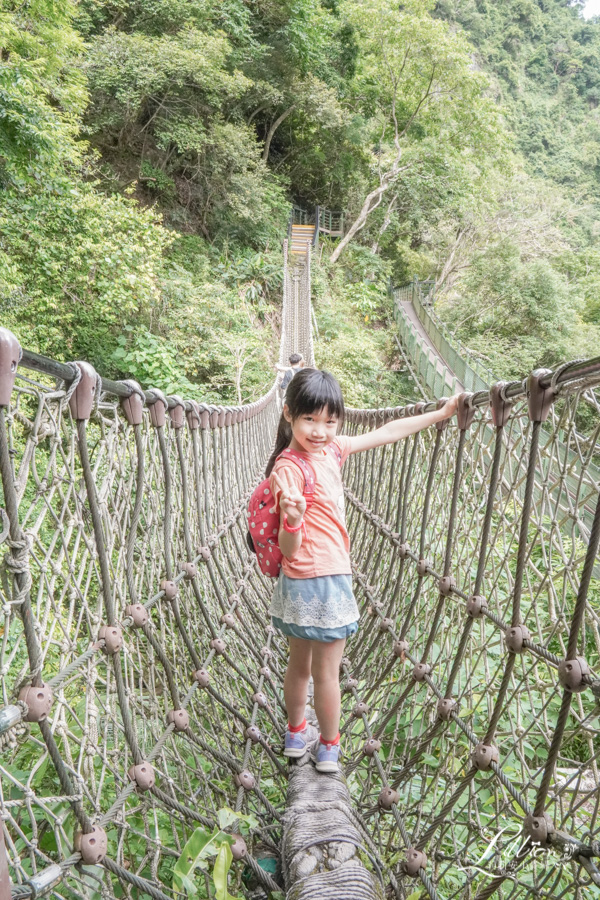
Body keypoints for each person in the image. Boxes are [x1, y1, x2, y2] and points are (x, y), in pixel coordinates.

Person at [266, 368, 460, 772]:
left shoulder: (333, 450)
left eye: (330, 422)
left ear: (339, 422)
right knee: (326, 674)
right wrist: (291, 518)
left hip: (301, 584)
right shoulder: (288, 469)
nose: (320, 431)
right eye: (310, 420)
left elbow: (388, 431)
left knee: (300, 666)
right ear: (288, 414)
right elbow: (289, 547)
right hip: (324, 582)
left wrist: (440, 414)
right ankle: (329, 746)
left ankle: (295, 731)